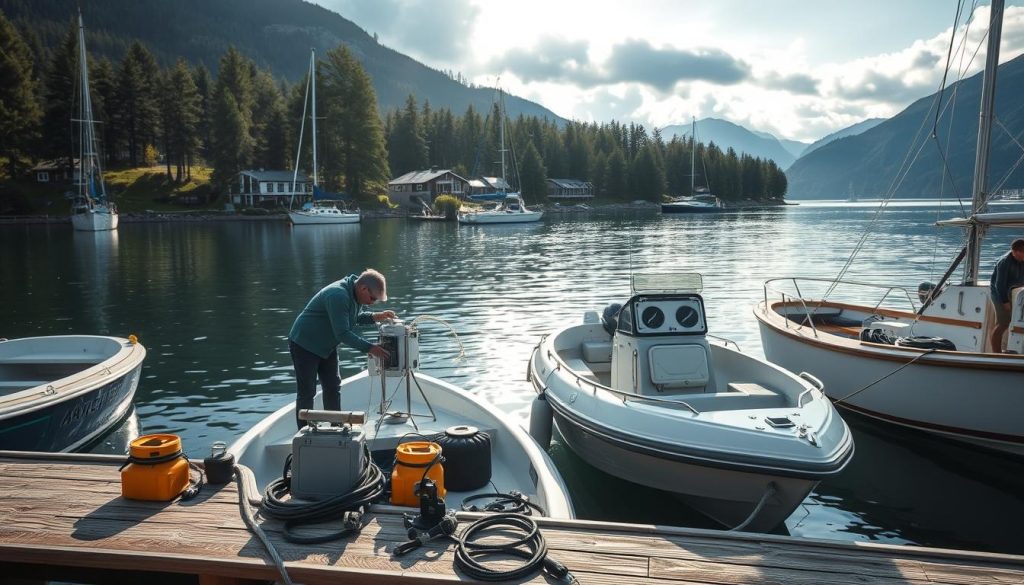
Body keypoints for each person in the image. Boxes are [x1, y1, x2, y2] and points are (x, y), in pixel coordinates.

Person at [289, 269, 395, 428]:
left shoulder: (354, 295)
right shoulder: (338, 295)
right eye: (372, 298)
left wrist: (377, 316)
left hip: (326, 345)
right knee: (307, 392)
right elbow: (343, 333)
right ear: (363, 288)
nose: (372, 302)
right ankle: (304, 432)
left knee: (333, 386)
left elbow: (353, 318)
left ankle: (336, 426)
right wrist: (370, 348)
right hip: (305, 344)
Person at [988, 238, 1024, 353]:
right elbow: (999, 285)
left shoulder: (1021, 260)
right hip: (999, 294)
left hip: (1014, 292)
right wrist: (1005, 302)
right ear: (1016, 252)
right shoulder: (1004, 262)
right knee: (1003, 323)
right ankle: (996, 353)